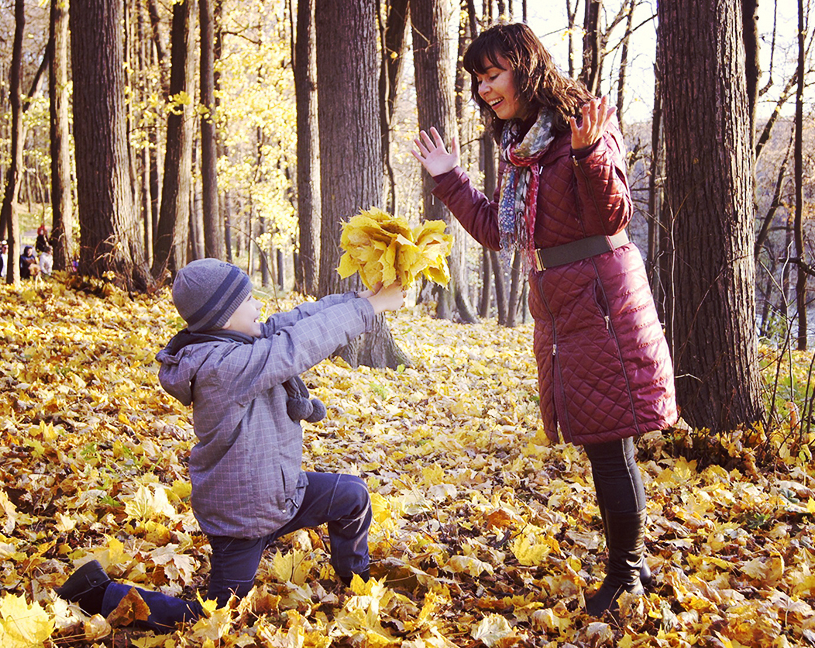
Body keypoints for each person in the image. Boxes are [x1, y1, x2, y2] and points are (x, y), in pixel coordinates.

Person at [411, 23, 677, 617]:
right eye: (477, 79)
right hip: (562, 307)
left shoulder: (581, 125)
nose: (483, 88)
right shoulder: (523, 145)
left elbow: (612, 213)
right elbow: (499, 233)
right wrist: (449, 177)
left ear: (525, 67)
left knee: (610, 447)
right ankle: (630, 564)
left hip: (602, 302)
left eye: (492, 74)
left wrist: (588, 154)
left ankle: (627, 577)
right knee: (603, 445)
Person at [54, 258, 405, 632]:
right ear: (222, 316)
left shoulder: (234, 342)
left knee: (352, 496)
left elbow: (292, 323)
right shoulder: (224, 367)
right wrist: (369, 310)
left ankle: (356, 580)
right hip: (242, 517)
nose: (258, 308)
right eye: (249, 300)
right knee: (217, 617)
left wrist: (357, 297)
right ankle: (99, 593)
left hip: (279, 493)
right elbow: (297, 346)